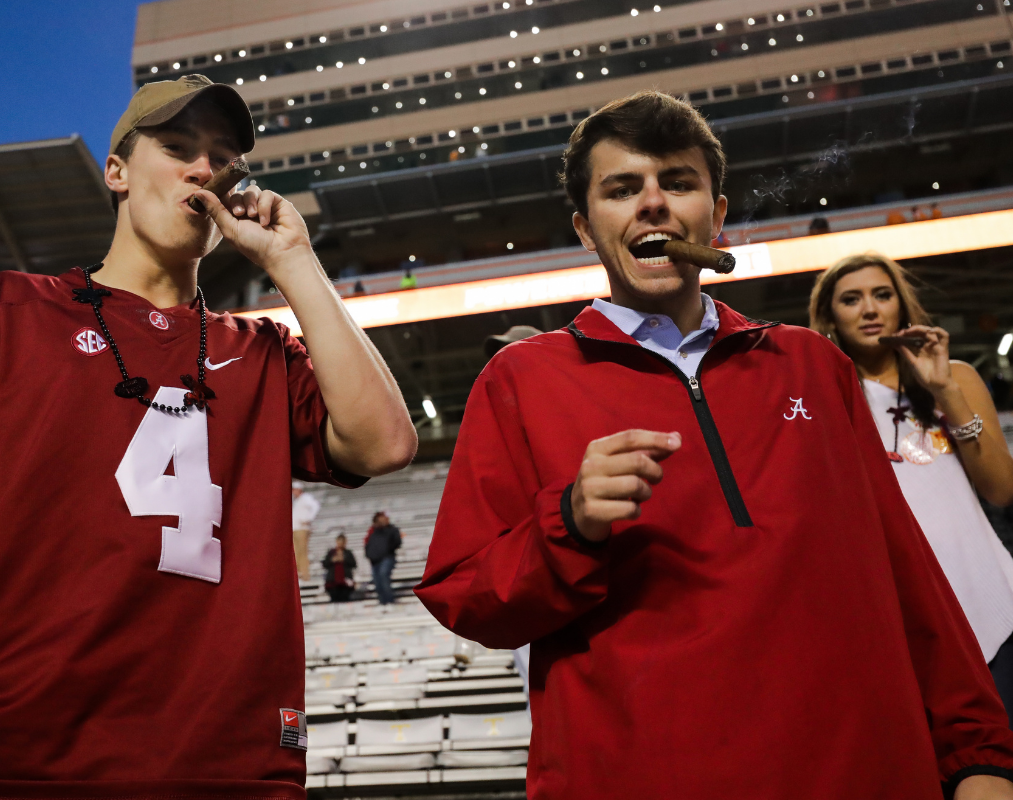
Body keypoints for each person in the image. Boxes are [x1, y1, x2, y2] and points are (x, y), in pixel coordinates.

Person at [0, 74, 416, 800]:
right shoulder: (12, 310)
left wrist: (295, 262)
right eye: (177, 146)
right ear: (118, 171)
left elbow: (383, 443)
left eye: (223, 157)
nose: (204, 168)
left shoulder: (261, 351)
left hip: (226, 768)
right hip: (17, 764)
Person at [415, 90, 1013, 799]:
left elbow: (907, 574)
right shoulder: (518, 380)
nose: (653, 204)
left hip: (866, 771)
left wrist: (981, 757)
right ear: (585, 226)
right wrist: (569, 521)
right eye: (621, 188)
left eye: (678, 182)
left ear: (716, 216)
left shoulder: (812, 364)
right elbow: (466, 597)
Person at [809, 252, 1013, 711]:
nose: (869, 309)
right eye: (851, 299)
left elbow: (1001, 489)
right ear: (829, 317)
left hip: (991, 597)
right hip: (902, 616)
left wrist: (945, 392)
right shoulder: (821, 397)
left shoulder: (954, 377)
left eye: (882, 295)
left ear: (901, 305)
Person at [364, 511, 401, 605]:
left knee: (383, 575)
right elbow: (368, 543)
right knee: (377, 580)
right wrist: (369, 554)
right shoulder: (373, 531)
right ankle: (382, 601)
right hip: (375, 560)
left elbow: (397, 542)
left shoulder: (392, 529)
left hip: (387, 557)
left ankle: (389, 600)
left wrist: (387, 549)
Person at [292, 480, 321, 581]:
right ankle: (299, 573)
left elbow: (316, 506)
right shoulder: (297, 500)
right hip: (296, 529)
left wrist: (308, 519)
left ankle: (305, 575)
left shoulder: (306, 498)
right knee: (296, 552)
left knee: (302, 552)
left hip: (302, 529)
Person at [321, 533, 357, 602]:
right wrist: (332, 560)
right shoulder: (331, 552)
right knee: (334, 599)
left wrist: (344, 559)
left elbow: (354, 564)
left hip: (346, 582)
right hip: (333, 582)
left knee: (345, 599)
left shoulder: (348, 553)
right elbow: (325, 564)